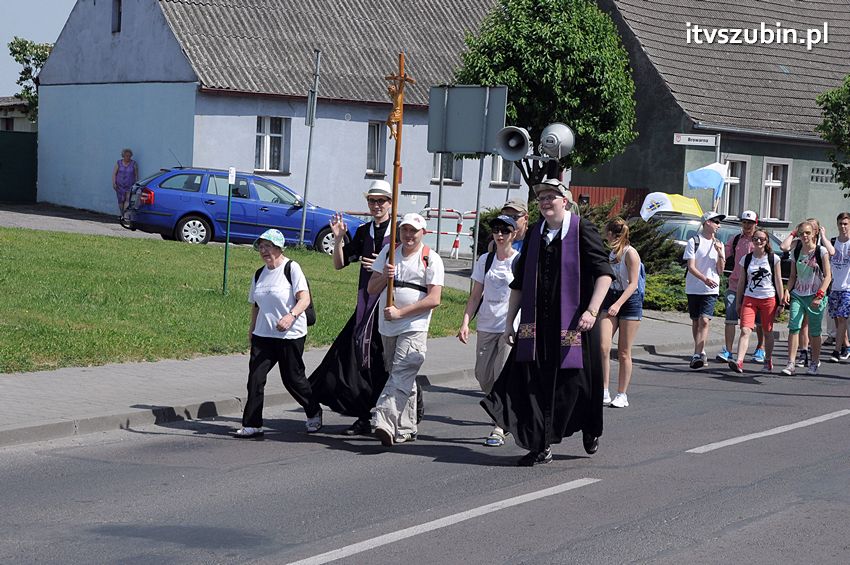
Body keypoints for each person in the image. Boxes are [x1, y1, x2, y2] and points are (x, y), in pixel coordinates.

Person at [481, 178, 613, 466]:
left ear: (564, 200)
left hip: (574, 326)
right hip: (536, 328)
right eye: (541, 197)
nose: (545, 201)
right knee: (532, 384)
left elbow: (604, 273)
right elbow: (519, 283)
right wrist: (509, 324)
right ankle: (540, 445)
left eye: (551, 196)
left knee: (576, 385)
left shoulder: (581, 230)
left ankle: (589, 428)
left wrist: (591, 311)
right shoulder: (535, 234)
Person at [306, 181, 393, 435]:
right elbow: (339, 263)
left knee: (384, 361)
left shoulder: (400, 231)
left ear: (390, 203)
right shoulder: (365, 231)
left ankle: (400, 408)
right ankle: (365, 414)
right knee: (351, 358)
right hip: (366, 305)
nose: (376, 206)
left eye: (381, 201)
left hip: (390, 305)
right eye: (372, 201)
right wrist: (339, 238)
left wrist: (380, 265)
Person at [234, 229, 321, 439]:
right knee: (255, 378)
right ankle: (253, 424)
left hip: (290, 335)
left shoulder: (291, 268)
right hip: (264, 335)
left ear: (279, 248)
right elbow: (256, 305)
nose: (264, 251)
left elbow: (304, 299)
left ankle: (313, 410)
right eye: (261, 247)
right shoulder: (259, 273)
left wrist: (290, 316)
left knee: (293, 379)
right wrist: (252, 329)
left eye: (268, 246)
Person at [368, 213, 444, 446]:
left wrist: (402, 313)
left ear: (423, 233)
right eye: (405, 230)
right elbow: (372, 288)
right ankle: (407, 426)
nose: (409, 235)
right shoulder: (389, 253)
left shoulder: (431, 259)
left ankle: (384, 419)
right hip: (388, 325)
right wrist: (385, 277)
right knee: (400, 375)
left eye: (414, 231)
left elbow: (434, 298)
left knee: (401, 372)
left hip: (414, 325)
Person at [457, 215, 520, 446]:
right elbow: (475, 296)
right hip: (485, 324)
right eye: (496, 230)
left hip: (508, 327)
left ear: (513, 234)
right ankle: (504, 411)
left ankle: (499, 426)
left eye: (505, 230)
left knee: (500, 374)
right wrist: (465, 322)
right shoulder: (486, 259)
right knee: (482, 375)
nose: (500, 235)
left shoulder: (519, 260)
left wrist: (515, 325)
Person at [780, 217, 836, 368]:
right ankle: (790, 363)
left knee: (815, 331)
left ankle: (815, 361)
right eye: (801, 233)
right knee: (794, 327)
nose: (804, 236)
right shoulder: (797, 250)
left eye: (807, 233)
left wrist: (819, 295)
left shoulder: (821, 251)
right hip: (798, 294)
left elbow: (828, 276)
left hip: (815, 296)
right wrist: (787, 290)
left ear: (813, 234)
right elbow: (792, 276)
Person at [599, 218, 643, 408]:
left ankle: (622, 394)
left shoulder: (630, 253)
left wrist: (618, 304)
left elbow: (633, 284)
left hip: (629, 301)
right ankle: (604, 390)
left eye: (605, 232)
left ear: (611, 233)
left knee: (624, 351)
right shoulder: (610, 253)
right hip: (611, 297)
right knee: (602, 346)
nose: (604, 235)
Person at [728, 229, 784, 373]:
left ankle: (768, 359)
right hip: (750, 298)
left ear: (766, 242)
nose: (758, 241)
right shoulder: (746, 259)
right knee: (745, 330)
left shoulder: (773, 258)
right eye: (755, 239)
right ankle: (739, 361)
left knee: (768, 331)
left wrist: (782, 302)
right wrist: (739, 302)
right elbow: (741, 282)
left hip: (768, 299)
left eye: (762, 239)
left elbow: (778, 281)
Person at [717, 210, 765, 364]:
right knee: (730, 317)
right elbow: (724, 254)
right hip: (735, 284)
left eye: (750, 223)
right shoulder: (736, 239)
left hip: (755, 288)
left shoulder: (760, 240)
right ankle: (729, 350)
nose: (747, 225)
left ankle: (760, 348)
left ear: (756, 224)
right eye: (744, 222)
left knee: (759, 321)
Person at [684, 211, 726, 369]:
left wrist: (721, 254)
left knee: (704, 320)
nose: (718, 225)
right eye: (716, 222)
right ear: (707, 222)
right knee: (696, 321)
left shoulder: (719, 243)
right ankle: (700, 351)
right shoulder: (693, 241)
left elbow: (721, 271)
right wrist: (704, 279)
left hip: (711, 289)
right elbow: (691, 267)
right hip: (694, 286)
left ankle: (697, 353)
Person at [827, 212, 850, 362]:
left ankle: (836, 351)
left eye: (846, 224)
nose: (843, 227)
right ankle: (846, 345)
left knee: (842, 319)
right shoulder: (833, 241)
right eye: (841, 223)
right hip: (834, 286)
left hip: (847, 287)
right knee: (836, 319)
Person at [112, 148, 138, 220]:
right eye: (126, 156)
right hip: (119, 185)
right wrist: (114, 183)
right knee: (120, 200)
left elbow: (136, 175)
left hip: (129, 185)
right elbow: (114, 173)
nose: (128, 157)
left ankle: (125, 216)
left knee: (127, 199)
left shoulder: (134, 163)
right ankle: (121, 213)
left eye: (129, 156)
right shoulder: (118, 163)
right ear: (123, 156)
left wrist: (136, 184)